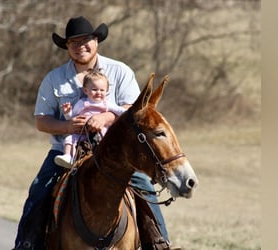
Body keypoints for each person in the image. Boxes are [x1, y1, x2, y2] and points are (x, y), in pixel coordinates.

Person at [13, 16, 178, 250]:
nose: (80, 46)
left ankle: (159, 242)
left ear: (96, 41)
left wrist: (108, 116)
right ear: (67, 47)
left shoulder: (119, 71)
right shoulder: (54, 79)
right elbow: (41, 121)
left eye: (85, 40)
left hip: (114, 153)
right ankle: (27, 243)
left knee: (144, 185)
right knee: (40, 188)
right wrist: (67, 127)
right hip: (66, 151)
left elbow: (136, 111)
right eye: (74, 42)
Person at [54, 69, 127, 168]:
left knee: (109, 142)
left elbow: (120, 111)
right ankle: (69, 157)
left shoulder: (106, 104)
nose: (98, 93)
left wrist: (130, 113)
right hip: (81, 133)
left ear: (107, 91)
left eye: (102, 90)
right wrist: (67, 112)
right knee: (69, 139)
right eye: (94, 89)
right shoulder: (82, 103)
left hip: (101, 133)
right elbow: (72, 117)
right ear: (85, 90)